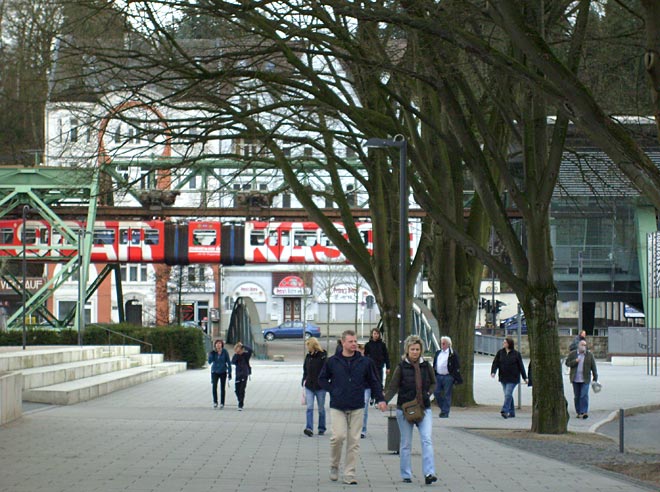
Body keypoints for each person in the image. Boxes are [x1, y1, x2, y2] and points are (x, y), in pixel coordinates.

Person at [319, 330, 387, 485]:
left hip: (357, 405)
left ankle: (349, 473)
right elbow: (322, 379)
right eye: (350, 341)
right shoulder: (333, 361)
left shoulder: (365, 362)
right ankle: (334, 465)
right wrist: (332, 390)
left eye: (355, 341)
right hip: (338, 405)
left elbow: (374, 381)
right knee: (338, 437)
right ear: (343, 343)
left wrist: (380, 399)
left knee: (354, 441)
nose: (354, 344)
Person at [385, 335, 438, 485]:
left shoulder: (426, 366)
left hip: (424, 408)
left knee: (426, 439)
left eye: (417, 349)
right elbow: (393, 387)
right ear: (407, 350)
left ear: (421, 350)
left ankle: (429, 472)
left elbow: (434, 383)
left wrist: (428, 393)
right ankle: (406, 473)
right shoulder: (401, 367)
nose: (415, 352)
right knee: (406, 443)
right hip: (405, 409)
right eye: (412, 349)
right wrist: (384, 401)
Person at [490, 337, 527, 419]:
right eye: (503, 343)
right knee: (508, 395)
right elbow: (495, 363)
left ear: (509, 344)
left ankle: (505, 410)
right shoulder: (500, 352)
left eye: (505, 343)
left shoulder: (516, 354)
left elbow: (521, 366)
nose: (504, 344)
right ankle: (512, 412)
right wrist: (493, 372)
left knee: (508, 394)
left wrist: (525, 377)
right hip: (503, 377)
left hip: (513, 378)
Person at [565, 339, 598, 419]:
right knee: (577, 396)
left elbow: (593, 367)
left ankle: (584, 412)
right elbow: (567, 363)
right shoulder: (573, 354)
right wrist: (575, 361)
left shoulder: (589, 355)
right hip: (575, 379)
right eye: (582, 345)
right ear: (578, 346)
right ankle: (578, 411)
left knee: (584, 395)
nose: (584, 347)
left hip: (585, 379)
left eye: (585, 345)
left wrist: (595, 378)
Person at [302, 337, 327, 436]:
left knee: (321, 408)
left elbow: (326, 370)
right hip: (309, 386)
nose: (307, 348)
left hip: (320, 387)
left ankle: (321, 428)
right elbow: (305, 369)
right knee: (309, 407)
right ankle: (309, 428)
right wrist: (304, 379)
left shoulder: (323, 356)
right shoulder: (308, 356)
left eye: (308, 345)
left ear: (312, 346)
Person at [432, 336, 461, 418]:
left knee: (447, 394)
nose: (442, 345)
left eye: (444, 343)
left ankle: (445, 412)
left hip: (448, 376)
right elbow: (435, 363)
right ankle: (443, 408)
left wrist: (454, 376)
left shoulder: (452, 354)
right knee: (436, 392)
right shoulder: (438, 353)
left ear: (448, 344)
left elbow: (456, 365)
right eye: (441, 343)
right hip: (438, 376)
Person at [208, 339, 232, 409]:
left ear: (222, 345)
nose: (218, 345)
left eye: (219, 343)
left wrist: (230, 372)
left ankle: (222, 403)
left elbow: (228, 362)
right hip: (215, 371)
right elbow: (210, 362)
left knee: (222, 388)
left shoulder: (225, 352)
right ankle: (215, 402)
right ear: (215, 345)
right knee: (214, 386)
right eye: (217, 344)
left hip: (223, 371)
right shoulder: (214, 352)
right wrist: (211, 355)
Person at [231, 342, 252, 411]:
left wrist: (243, 345)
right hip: (238, 374)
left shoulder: (246, 355)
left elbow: (250, 350)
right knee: (237, 390)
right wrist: (237, 355)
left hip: (244, 373)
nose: (238, 350)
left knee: (242, 389)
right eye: (237, 349)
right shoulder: (235, 356)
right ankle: (240, 399)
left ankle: (240, 404)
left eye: (239, 349)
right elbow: (233, 362)